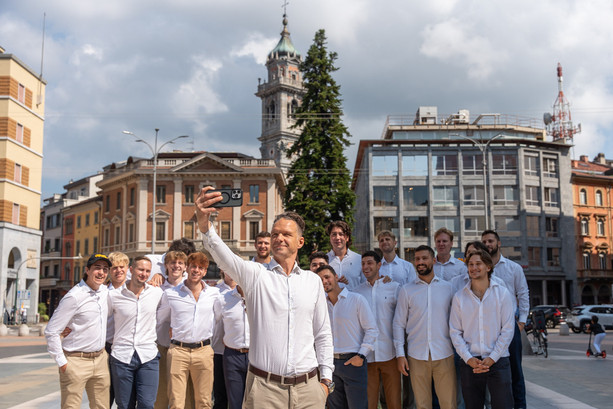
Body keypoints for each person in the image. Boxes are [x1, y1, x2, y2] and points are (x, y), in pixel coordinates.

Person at [195, 186, 334, 409]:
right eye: (275, 234)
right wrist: (205, 225)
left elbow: (323, 333)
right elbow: (224, 257)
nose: (278, 238)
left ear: (300, 242)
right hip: (265, 391)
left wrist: (326, 381)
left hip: (309, 390)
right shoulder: (255, 275)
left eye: (286, 234)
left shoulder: (312, 281)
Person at [449, 249, 515, 409]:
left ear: (488, 267)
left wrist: (492, 358)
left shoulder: (502, 294)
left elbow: (507, 329)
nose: (473, 267)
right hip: (470, 362)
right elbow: (455, 332)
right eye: (470, 264)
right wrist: (468, 358)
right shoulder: (459, 297)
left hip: (498, 362)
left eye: (478, 263)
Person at [45, 254, 112, 409]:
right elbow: (51, 331)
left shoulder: (104, 291)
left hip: (100, 359)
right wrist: (62, 363)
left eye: (105, 269)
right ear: (87, 270)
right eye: (97, 268)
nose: (101, 272)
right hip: (76, 360)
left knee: (102, 406)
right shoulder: (74, 296)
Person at [393, 245, 457, 409]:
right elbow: (398, 323)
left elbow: (457, 322)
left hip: (444, 354)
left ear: (433, 260)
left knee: (449, 404)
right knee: (422, 405)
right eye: (417, 259)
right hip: (416, 356)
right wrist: (400, 354)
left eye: (424, 258)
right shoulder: (406, 291)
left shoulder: (448, 288)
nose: (420, 262)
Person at [158, 252, 222, 409]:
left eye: (201, 268)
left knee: (204, 401)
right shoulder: (171, 294)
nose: (196, 270)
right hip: (178, 351)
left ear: (205, 271)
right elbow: (161, 319)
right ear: (187, 268)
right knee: (176, 402)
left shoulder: (214, 294)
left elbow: (218, 317)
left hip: (204, 351)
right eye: (193, 266)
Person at [317, 264, 378, 409]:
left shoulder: (356, 299)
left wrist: (361, 356)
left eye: (327, 277)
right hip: (330, 364)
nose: (324, 281)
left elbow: (372, 330)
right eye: (320, 280)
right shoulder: (321, 305)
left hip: (353, 363)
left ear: (336, 277)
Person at [108, 256, 163, 409]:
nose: (144, 274)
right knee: (125, 405)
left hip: (148, 356)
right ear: (131, 270)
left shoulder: (157, 293)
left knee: (147, 404)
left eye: (147, 271)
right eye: (140, 269)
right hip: (121, 356)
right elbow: (98, 318)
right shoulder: (114, 296)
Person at [481, 230, 529, 409]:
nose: (487, 244)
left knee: (515, 372)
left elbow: (523, 294)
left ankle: (520, 406)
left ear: (498, 243)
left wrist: (522, 321)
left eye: (490, 241)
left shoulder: (513, 268)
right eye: (484, 241)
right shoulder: (480, 269)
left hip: (510, 326)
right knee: (491, 371)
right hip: (487, 327)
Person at [353, 250, 401, 409]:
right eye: (363, 263)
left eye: (370, 263)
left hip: (390, 355)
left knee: (394, 402)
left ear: (379, 265)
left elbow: (401, 320)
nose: (366, 267)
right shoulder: (357, 292)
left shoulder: (394, 287)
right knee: (369, 403)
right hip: (368, 357)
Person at [155, 251, 192, 409]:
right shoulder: (157, 287)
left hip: (185, 348)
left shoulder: (192, 286)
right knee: (161, 394)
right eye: (172, 263)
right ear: (166, 266)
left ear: (185, 267)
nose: (176, 266)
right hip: (162, 346)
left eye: (180, 263)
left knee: (186, 396)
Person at [218, 277, 250, 409]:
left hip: (256, 355)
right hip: (232, 355)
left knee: (256, 401)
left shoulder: (259, 298)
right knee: (235, 402)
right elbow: (216, 324)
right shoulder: (223, 299)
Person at [107, 252, 130, 408]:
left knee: (126, 397)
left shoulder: (135, 290)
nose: (118, 271)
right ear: (109, 270)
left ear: (127, 268)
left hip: (127, 348)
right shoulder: (103, 292)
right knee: (106, 393)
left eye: (122, 267)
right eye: (114, 267)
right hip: (107, 347)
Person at [212, 270, 234, 409]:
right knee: (220, 394)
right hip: (218, 351)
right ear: (221, 270)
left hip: (240, 352)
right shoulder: (214, 291)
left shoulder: (246, 290)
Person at [326, 220, 364, 289]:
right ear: (330, 238)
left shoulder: (359, 260)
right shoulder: (325, 260)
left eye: (341, 234)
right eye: (334, 234)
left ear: (347, 238)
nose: (337, 238)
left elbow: (366, 285)